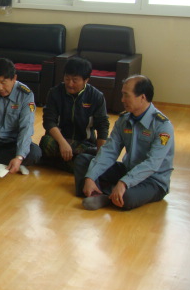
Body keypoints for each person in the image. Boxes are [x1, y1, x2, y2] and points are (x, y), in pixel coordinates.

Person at [74, 75, 175, 211]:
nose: (122, 100)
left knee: (127, 198)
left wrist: (124, 182)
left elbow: (152, 164)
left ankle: (106, 193)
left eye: (126, 95)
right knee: (82, 161)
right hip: (128, 169)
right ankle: (100, 192)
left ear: (142, 97)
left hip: (153, 180)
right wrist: (91, 177)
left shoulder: (162, 126)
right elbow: (109, 151)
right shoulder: (123, 120)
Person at [39, 57, 110, 172]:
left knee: (100, 153)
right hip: (59, 141)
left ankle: (55, 163)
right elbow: (49, 121)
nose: (70, 84)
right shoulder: (55, 93)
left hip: (84, 144)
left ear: (86, 80)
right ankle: (77, 165)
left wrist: (101, 157)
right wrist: (63, 143)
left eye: (75, 80)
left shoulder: (96, 96)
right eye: (67, 79)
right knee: (46, 142)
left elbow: (103, 126)